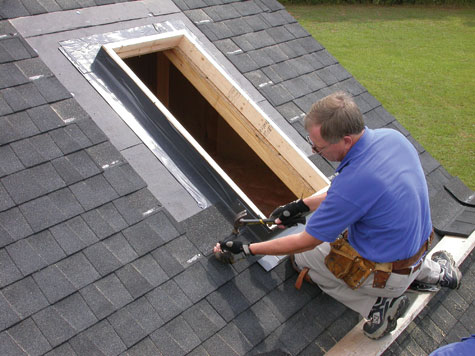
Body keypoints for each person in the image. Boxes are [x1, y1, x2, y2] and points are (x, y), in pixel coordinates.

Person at [214, 91, 462, 339]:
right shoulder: (391, 138)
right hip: (419, 247)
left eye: (319, 148)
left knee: (303, 260)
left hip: (388, 275)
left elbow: (307, 240)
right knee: (365, 229)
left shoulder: (353, 184)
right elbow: (353, 195)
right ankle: (438, 273)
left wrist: (248, 249)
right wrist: (301, 206)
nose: (315, 151)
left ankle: (377, 306)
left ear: (346, 140)